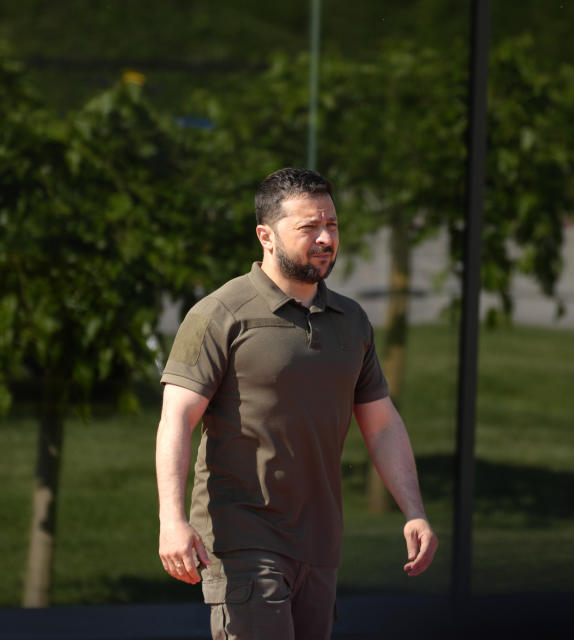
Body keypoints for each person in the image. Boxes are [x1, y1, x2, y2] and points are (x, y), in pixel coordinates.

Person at [155, 167, 438, 639]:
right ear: (266, 235)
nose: (326, 238)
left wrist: (414, 510)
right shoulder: (221, 315)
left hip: (320, 546)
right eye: (309, 227)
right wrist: (172, 520)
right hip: (243, 540)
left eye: (332, 225)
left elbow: (382, 424)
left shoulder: (351, 321)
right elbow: (176, 420)